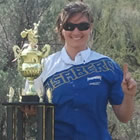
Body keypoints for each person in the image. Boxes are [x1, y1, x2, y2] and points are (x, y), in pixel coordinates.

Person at [23, 1, 137, 140]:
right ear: (61, 29)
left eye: (83, 26)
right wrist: (30, 110)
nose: (76, 32)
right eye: (69, 26)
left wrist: (129, 95)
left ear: (91, 28)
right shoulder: (43, 66)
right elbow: (31, 110)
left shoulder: (107, 66)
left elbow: (124, 117)